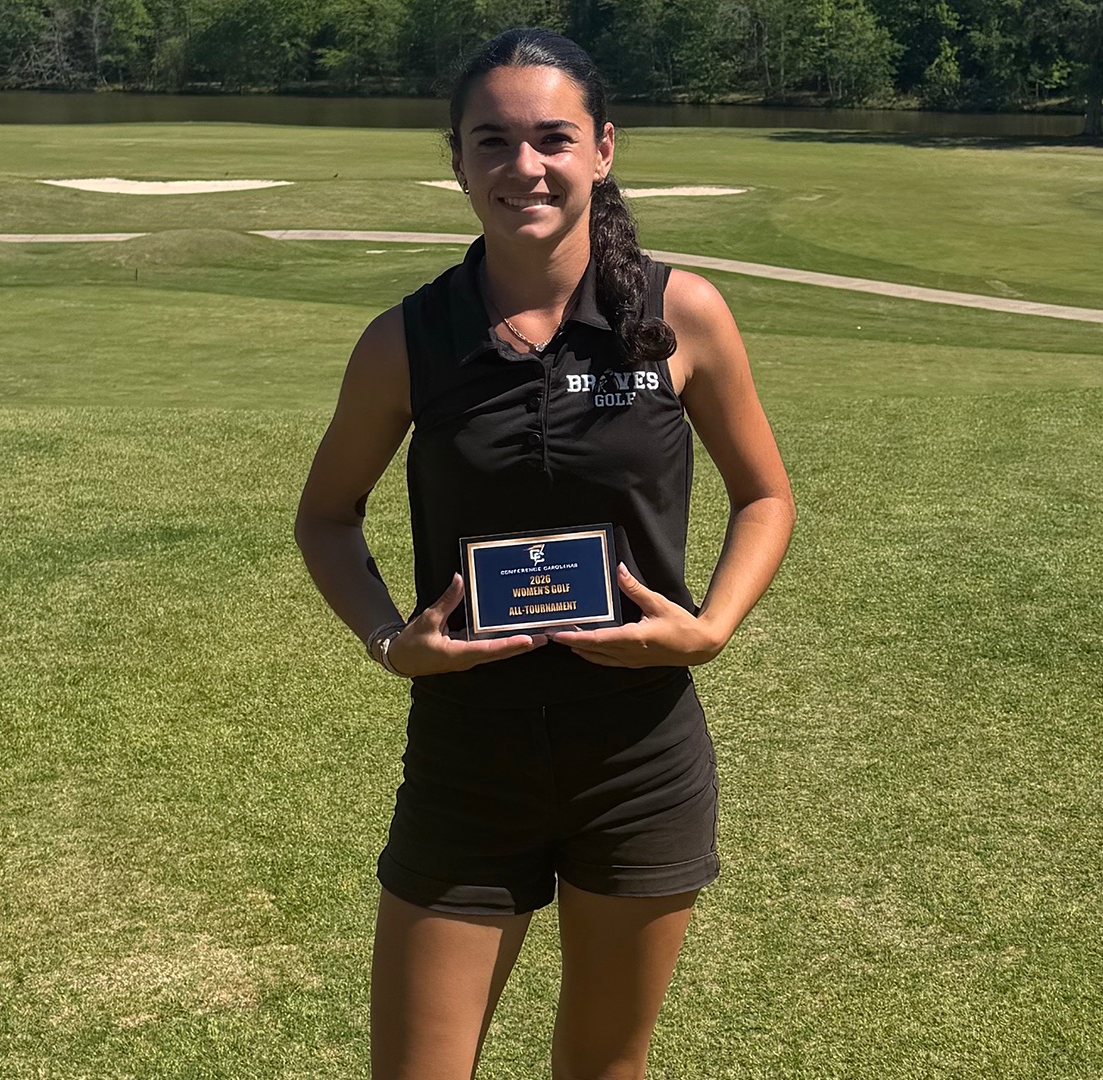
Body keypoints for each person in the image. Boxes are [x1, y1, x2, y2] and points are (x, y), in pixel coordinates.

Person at [293, 26, 794, 1080]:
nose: (524, 166)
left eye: (552, 138)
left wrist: (711, 627)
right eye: (492, 142)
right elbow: (328, 514)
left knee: (603, 1070)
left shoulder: (678, 313)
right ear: (459, 161)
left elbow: (766, 496)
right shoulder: (410, 338)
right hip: (470, 761)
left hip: (639, 760)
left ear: (603, 149)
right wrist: (392, 641)